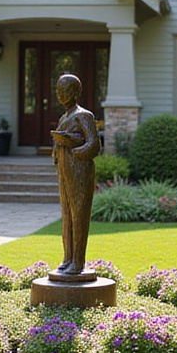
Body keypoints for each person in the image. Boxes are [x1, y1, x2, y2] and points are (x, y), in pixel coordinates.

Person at [51, 73, 100, 276]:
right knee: (67, 216)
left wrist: (76, 148)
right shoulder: (64, 117)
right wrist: (56, 153)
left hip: (80, 172)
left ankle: (78, 262)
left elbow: (94, 144)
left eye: (65, 90)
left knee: (79, 215)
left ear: (75, 92)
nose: (61, 94)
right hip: (65, 171)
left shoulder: (83, 115)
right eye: (58, 91)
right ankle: (67, 258)